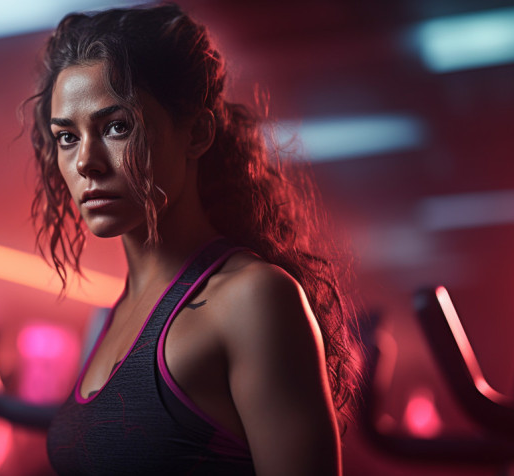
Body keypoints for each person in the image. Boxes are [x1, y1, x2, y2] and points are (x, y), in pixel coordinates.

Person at [26, 4, 359, 475]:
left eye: (116, 127)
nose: (86, 162)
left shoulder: (253, 298)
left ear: (198, 133)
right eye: (67, 137)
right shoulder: (101, 325)